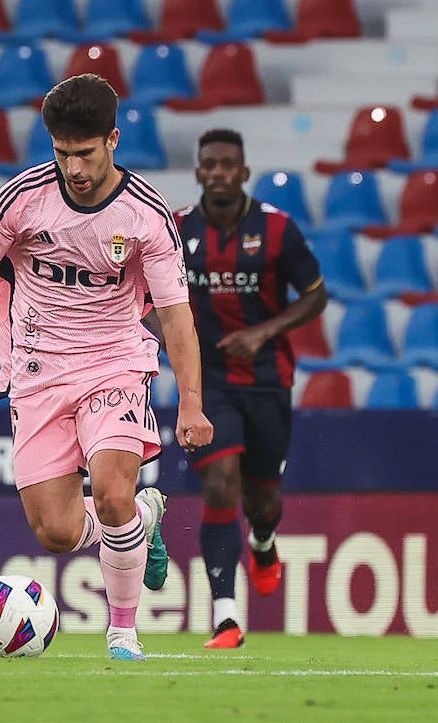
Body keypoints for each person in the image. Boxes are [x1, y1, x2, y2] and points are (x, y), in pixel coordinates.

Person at [0, 74, 213, 662]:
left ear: (113, 140)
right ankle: (141, 517)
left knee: (108, 491)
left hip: (114, 363)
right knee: (54, 532)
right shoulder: (23, 198)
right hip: (37, 371)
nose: (73, 167)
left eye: (84, 152)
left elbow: (176, 316)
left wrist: (193, 402)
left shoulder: (147, 216)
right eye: (61, 152)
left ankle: (123, 632)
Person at [174, 128, 326, 649]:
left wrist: (263, 332)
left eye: (227, 164)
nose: (217, 172)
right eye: (208, 164)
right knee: (220, 483)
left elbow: (315, 295)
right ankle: (226, 616)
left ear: (243, 172)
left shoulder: (279, 230)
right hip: (208, 384)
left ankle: (263, 543)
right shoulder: (177, 231)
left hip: (267, 382)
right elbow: (147, 297)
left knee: (262, 499)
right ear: (198, 173)